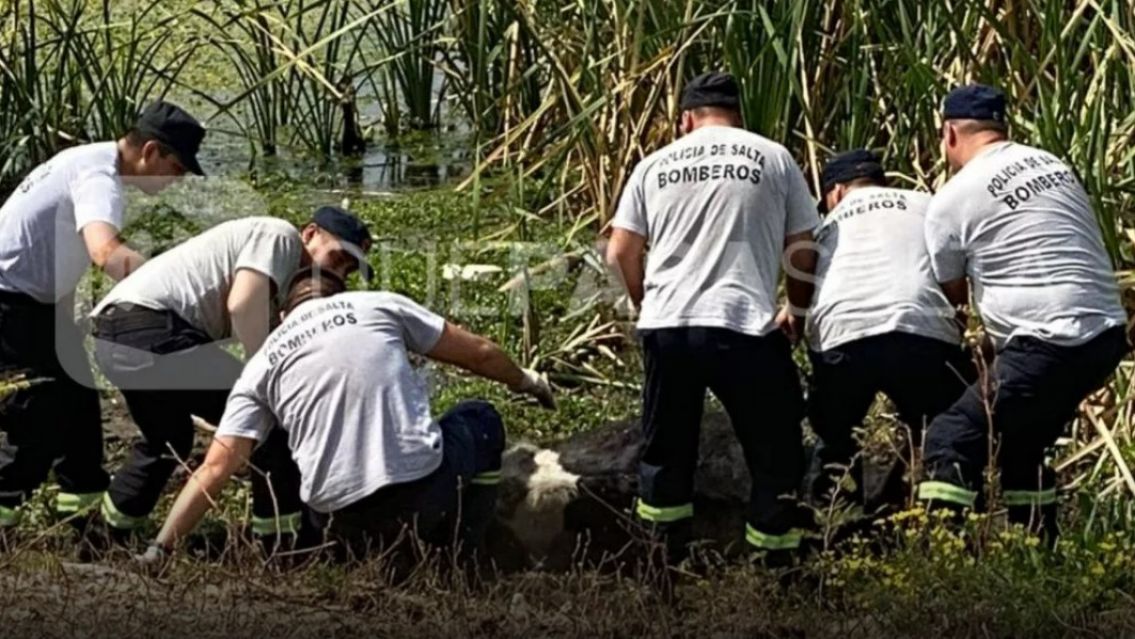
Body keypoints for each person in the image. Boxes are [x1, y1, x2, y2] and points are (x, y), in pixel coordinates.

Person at [142, 269, 555, 562]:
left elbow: (215, 467)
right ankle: (465, 552)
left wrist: (159, 548)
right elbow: (480, 354)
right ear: (339, 296)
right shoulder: (376, 305)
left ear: (284, 315)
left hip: (340, 524)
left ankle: (379, 552)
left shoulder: (262, 361)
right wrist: (528, 381)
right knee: (480, 417)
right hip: (422, 493)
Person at [605, 71, 818, 560]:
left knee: (664, 452)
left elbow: (619, 251)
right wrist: (797, 314)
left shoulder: (653, 166)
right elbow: (804, 250)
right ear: (738, 117)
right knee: (775, 449)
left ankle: (664, 564)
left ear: (685, 119)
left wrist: (647, 303)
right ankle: (774, 564)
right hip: (741, 324)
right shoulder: (773, 157)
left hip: (667, 326)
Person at [917, 84, 1129, 538]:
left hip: (1048, 343)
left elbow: (953, 295)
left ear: (950, 133)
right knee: (1024, 440)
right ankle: (1035, 551)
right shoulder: (1052, 164)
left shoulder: (952, 200)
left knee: (951, 436)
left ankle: (940, 565)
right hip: (1106, 336)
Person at [89, 206, 372, 544]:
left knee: (167, 442)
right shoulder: (279, 236)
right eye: (338, 257)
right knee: (265, 428)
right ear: (310, 233)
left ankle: (103, 537)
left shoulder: (280, 282)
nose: (338, 274)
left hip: (113, 335)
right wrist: (260, 380)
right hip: (152, 328)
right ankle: (282, 546)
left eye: (349, 269)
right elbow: (242, 304)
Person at [0, 101, 205, 530]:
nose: (178, 179)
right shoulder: (100, 179)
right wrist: (164, 286)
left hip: (35, 303)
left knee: (79, 415)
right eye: (177, 167)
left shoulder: (85, 159)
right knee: (39, 414)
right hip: (10, 302)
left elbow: (50, 244)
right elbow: (103, 251)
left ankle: (85, 512)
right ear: (150, 151)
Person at [804, 149, 974, 514]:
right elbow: (954, 266)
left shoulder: (826, 224)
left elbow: (805, 280)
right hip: (923, 327)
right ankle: (943, 524)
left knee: (836, 436)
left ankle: (834, 527)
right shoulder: (927, 204)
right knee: (940, 427)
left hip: (844, 332)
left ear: (835, 192)